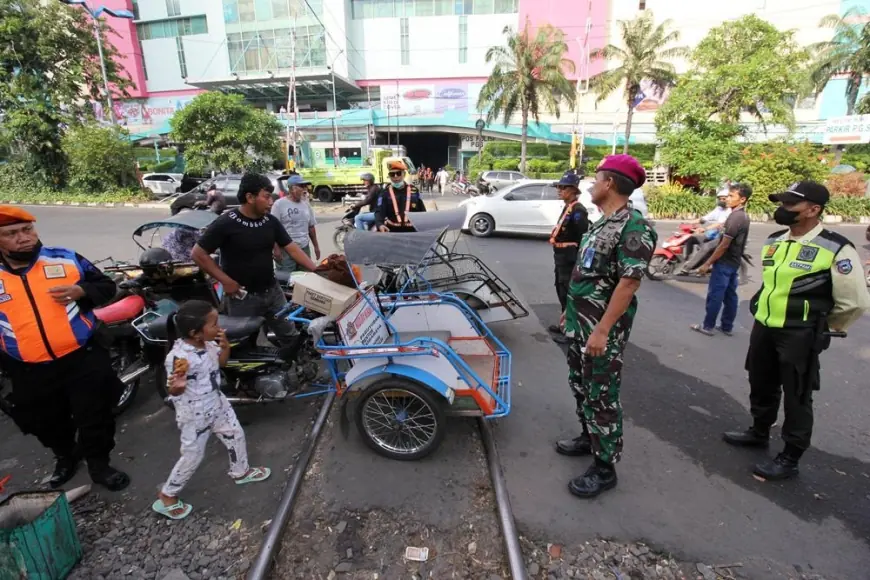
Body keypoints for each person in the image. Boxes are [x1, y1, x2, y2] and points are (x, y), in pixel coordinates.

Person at [723, 181, 870, 480]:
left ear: (814, 210)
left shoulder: (836, 247)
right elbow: (772, 283)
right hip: (765, 326)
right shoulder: (776, 240)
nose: (783, 209)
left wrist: (822, 327)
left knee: (797, 395)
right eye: (783, 203)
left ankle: (790, 456)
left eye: (791, 205)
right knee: (761, 381)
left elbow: (853, 301)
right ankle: (759, 431)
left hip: (800, 334)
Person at [0, 206, 130, 491]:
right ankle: (66, 457)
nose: (23, 238)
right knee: (43, 422)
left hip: (82, 358)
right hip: (27, 369)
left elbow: (106, 286)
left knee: (95, 415)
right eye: (11, 233)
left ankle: (99, 465)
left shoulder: (65, 258)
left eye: (27, 229)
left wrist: (82, 291)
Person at [555, 155, 657, 498]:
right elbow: (587, 273)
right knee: (580, 384)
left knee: (601, 394)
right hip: (581, 323)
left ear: (610, 183)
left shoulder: (633, 228)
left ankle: (604, 467)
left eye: (596, 178)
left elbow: (628, 284)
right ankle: (589, 437)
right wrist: (570, 312)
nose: (591, 185)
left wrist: (601, 330)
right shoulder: (602, 223)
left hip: (601, 330)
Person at [152, 300, 270, 520]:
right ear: (195, 333)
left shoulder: (208, 344)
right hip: (195, 414)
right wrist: (175, 387)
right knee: (193, 455)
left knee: (235, 435)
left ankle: (240, 470)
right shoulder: (180, 358)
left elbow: (221, 364)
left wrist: (225, 347)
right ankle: (167, 494)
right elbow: (175, 389)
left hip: (217, 403)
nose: (219, 328)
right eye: (214, 324)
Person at [191, 173, 317, 343]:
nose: (271, 202)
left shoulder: (270, 221)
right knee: (243, 344)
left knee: (290, 336)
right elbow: (198, 253)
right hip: (242, 297)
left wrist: (318, 271)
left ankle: (297, 366)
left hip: (273, 292)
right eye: (266, 197)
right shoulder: (226, 222)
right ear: (250, 197)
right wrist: (225, 281)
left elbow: (292, 249)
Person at [690, 183, 752, 337]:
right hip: (734, 261)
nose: (728, 199)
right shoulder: (741, 216)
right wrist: (704, 228)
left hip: (724, 262)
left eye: (732, 196)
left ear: (742, 199)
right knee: (730, 295)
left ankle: (707, 326)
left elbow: (723, 245)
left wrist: (707, 263)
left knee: (716, 295)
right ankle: (726, 326)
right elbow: (720, 225)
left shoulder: (736, 217)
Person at [547, 173, 589, 345]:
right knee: (561, 289)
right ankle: (564, 324)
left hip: (570, 257)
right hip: (561, 256)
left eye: (563, 187)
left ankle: (571, 331)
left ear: (573, 190)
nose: (559, 190)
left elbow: (582, 236)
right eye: (558, 187)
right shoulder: (568, 207)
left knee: (569, 293)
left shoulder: (579, 210)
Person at [271, 174, 321, 273]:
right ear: (292, 188)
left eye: (305, 186)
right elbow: (272, 229)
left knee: (306, 278)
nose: (304, 189)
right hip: (285, 250)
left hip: (304, 248)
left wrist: (316, 247)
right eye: (301, 186)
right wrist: (275, 249)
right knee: (287, 280)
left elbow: (311, 227)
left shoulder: (306, 205)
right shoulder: (279, 205)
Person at [374, 160, 427, 233]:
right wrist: (380, 224)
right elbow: (379, 211)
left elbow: (422, 210)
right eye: (392, 174)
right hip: (392, 231)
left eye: (398, 173)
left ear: (404, 174)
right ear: (389, 176)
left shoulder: (414, 191)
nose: (395, 176)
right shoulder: (384, 193)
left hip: (412, 231)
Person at [680, 189, 732, 263]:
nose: (721, 200)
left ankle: (691, 266)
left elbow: (719, 223)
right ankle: (688, 260)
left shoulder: (729, 210)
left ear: (729, 199)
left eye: (724, 199)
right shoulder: (719, 209)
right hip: (713, 235)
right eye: (720, 199)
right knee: (690, 239)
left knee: (705, 247)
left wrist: (705, 228)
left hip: (721, 237)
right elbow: (705, 219)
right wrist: (689, 223)